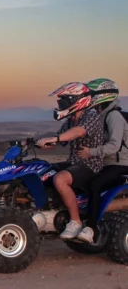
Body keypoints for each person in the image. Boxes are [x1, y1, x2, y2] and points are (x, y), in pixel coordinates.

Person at [37, 82, 105, 240]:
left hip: (90, 165)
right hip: (74, 162)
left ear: (78, 100)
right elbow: (58, 142)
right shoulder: (70, 120)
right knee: (43, 170)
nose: (61, 105)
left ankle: (75, 221)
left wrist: (56, 138)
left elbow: (78, 132)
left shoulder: (92, 116)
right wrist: (35, 144)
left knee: (60, 179)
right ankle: (52, 211)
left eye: (64, 102)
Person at [75, 78, 128, 243]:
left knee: (95, 184)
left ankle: (90, 228)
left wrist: (91, 152)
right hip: (107, 163)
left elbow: (114, 145)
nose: (90, 97)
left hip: (121, 164)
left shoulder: (114, 116)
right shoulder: (101, 115)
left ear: (103, 95)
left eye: (92, 94)